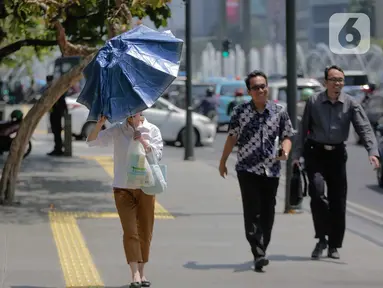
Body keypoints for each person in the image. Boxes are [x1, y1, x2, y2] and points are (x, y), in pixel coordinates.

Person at [292, 65, 380, 260]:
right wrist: (296, 156)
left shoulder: (351, 103)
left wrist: (372, 152)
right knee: (316, 193)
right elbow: (303, 128)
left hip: (337, 155)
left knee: (338, 202)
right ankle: (321, 237)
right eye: (334, 80)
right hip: (315, 153)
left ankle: (333, 244)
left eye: (340, 80)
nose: (338, 83)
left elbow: (364, 128)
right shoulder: (314, 101)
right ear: (325, 83)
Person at [219, 70, 294, 272]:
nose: (260, 90)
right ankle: (258, 253)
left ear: (267, 87)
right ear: (249, 91)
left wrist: (285, 151)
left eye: (263, 86)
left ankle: (262, 247)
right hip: (247, 169)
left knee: (268, 213)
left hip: (272, 170)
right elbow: (232, 137)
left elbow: (287, 136)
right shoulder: (240, 112)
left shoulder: (279, 111)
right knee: (252, 212)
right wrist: (223, 161)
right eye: (256, 87)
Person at [87, 113, 163, 288]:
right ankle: (135, 274)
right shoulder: (118, 130)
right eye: (133, 111)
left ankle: (142, 273)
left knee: (145, 230)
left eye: (140, 110)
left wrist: (143, 141)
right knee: (130, 231)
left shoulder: (152, 130)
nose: (136, 113)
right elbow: (91, 142)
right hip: (122, 188)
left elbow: (157, 156)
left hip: (146, 187)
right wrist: (99, 125)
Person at [47, 75, 68, 156]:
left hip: (57, 114)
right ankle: (58, 147)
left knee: (57, 131)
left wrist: (64, 112)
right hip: (53, 114)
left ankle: (58, 149)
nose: (49, 83)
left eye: (50, 81)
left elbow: (62, 102)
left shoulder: (57, 89)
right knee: (55, 131)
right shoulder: (50, 89)